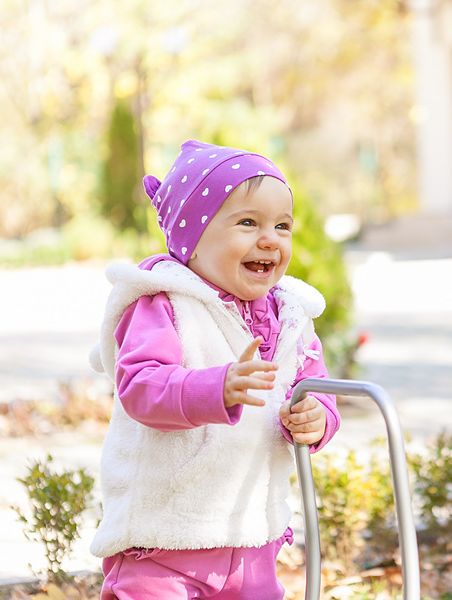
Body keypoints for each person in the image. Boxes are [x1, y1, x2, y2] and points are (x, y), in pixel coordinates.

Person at [88, 140, 340, 600]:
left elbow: (314, 386)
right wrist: (215, 387)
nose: (270, 238)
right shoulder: (165, 304)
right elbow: (140, 386)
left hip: (249, 540)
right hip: (163, 544)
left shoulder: (290, 317)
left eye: (282, 225)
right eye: (248, 222)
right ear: (193, 237)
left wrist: (317, 416)